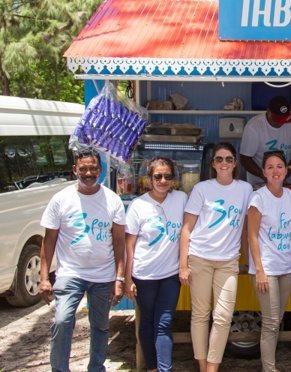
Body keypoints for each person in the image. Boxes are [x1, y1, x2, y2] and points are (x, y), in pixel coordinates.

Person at [39, 147, 126, 372]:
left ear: (101, 170)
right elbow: (48, 241)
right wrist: (44, 278)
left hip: (103, 276)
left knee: (100, 326)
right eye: (83, 168)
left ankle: (96, 368)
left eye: (93, 168)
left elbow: (119, 242)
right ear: (74, 170)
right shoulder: (61, 200)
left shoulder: (112, 200)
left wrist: (119, 278)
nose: (88, 173)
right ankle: (59, 369)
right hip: (71, 274)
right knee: (62, 321)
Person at [179, 142, 253, 372]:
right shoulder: (202, 189)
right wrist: (183, 265)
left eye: (228, 159)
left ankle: (213, 366)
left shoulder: (245, 189)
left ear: (235, 163)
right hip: (200, 257)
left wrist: (248, 257)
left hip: (228, 260)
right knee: (200, 315)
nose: (224, 163)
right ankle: (203, 366)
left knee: (223, 317)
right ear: (212, 164)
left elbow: (246, 227)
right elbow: (187, 228)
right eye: (219, 159)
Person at [124, 157, 187, 372]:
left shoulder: (181, 199)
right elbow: (129, 245)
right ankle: (151, 368)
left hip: (170, 275)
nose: (162, 180)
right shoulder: (138, 205)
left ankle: (164, 369)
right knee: (148, 322)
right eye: (157, 176)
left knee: (164, 323)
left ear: (173, 178)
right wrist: (127, 278)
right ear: (149, 179)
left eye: (167, 176)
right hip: (144, 276)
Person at [247, 150, 291, 372]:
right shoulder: (258, 198)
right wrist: (259, 270)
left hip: (287, 268)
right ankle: (269, 369)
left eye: (280, 166)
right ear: (263, 172)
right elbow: (252, 234)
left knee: (277, 320)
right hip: (266, 269)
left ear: (286, 170)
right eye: (270, 167)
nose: (275, 171)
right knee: (270, 323)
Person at [240, 95, 291, 185]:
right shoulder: (254, 127)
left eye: (284, 120)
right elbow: (245, 159)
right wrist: (265, 176)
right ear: (268, 111)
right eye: (277, 120)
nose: (280, 123)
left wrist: (289, 169)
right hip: (259, 182)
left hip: (284, 182)